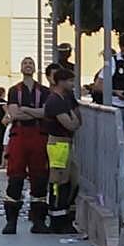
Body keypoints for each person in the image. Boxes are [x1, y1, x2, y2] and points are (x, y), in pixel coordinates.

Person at [2, 58, 50, 235]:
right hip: (19, 136)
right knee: (15, 178)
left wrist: (26, 110)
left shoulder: (44, 91)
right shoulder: (14, 90)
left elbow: (45, 112)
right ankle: (11, 221)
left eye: (31, 63)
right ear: (21, 68)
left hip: (39, 135)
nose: (28, 66)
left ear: (35, 68)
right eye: (25, 63)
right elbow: (14, 114)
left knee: (40, 178)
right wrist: (34, 113)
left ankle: (38, 221)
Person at [43, 68, 81, 234]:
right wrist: (73, 116)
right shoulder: (55, 101)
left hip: (65, 143)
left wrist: (74, 117)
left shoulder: (66, 98)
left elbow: (77, 121)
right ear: (61, 82)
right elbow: (71, 124)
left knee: (71, 180)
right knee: (58, 181)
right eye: (70, 81)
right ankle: (57, 220)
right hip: (58, 143)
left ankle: (64, 216)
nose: (73, 84)